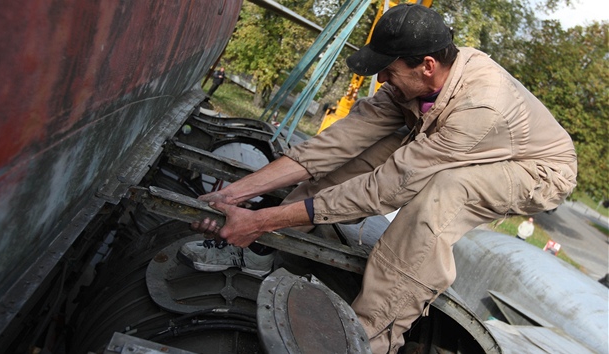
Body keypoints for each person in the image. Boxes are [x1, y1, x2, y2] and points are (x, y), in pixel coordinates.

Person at [179, 4, 577, 353]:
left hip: (538, 168)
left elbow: (389, 188)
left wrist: (261, 219)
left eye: (388, 71)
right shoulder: (413, 83)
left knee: (438, 200)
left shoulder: (481, 107)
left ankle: (370, 338)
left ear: (427, 66)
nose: (383, 79)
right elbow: (337, 144)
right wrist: (238, 192)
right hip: (455, 140)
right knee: (355, 162)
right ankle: (260, 251)